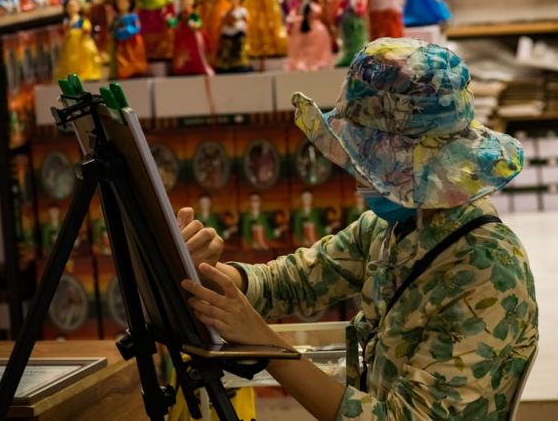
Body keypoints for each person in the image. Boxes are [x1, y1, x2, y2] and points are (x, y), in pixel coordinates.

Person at [179, 37, 538, 420]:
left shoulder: (485, 269)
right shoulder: (393, 228)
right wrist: (209, 276)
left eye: (371, 165)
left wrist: (268, 345)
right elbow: (294, 281)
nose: (359, 178)